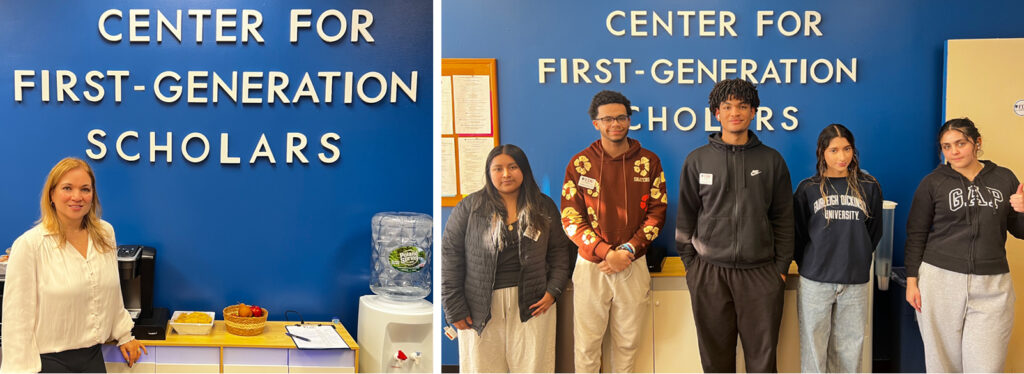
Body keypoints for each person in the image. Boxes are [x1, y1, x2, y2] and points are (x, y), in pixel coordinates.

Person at [676, 78, 794, 372]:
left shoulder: (772, 160)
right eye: (727, 106)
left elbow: (784, 219)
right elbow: (686, 218)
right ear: (716, 113)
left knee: (762, 361)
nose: (735, 112)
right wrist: (693, 268)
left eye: (742, 106)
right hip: (709, 274)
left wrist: (779, 270)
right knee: (715, 360)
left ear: (754, 111)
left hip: (760, 274)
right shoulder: (697, 160)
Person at [2, 157, 147, 373]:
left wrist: (125, 335)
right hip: (47, 363)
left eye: (85, 189)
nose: (77, 197)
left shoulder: (104, 234)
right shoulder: (29, 245)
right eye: (67, 188)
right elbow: (16, 320)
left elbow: (112, 294)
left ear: (93, 195)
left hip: (92, 358)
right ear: (52, 194)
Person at [905, 117, 1024, 372]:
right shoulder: (932, 182)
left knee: (987, 367)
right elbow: (916, 233)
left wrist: (1023, 211)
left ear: (977, 143)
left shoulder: (1004, 178)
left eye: (961, 143)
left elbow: (1020, 230)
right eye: (947, 146)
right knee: (942, 366)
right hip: (940, 280)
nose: (954, 151)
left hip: (992, 284)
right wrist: (912, 281)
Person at [561, 90, 667, 373]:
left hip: (633, 264)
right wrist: (606, 252)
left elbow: (658, 212)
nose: (615, 124)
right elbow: (571, 217)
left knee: (628, 344)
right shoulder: (580, 163)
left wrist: (628, 251)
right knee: (586, 345)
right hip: (591, 266)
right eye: (607, 119)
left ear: (630, 120)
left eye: (621, 117)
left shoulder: (649, 162)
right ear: (596, 123)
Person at [441, 144, 571, 373]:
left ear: (524, 170)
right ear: (489, 173)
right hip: (479, 306)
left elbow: (560, 252)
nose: (506, 174)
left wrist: (553, 292)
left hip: (533, 303)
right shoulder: (469, 207)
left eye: (513, 167)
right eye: (498, 168)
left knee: (535, 367)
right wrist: (454, 308)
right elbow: (451, 257)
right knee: (482, 367)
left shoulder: (543, 206)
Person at [793, 124, 882, 372]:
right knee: (814, 348)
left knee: (850, 350)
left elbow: (874, 232)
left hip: (854, 281)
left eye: (847, 149)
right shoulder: (807, 189)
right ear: (822, 152)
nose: (841, 157)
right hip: (815, 281)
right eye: (834, 150)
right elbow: (797, 234)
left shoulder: (869, 186)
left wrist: (859, 256)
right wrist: (811, 263)